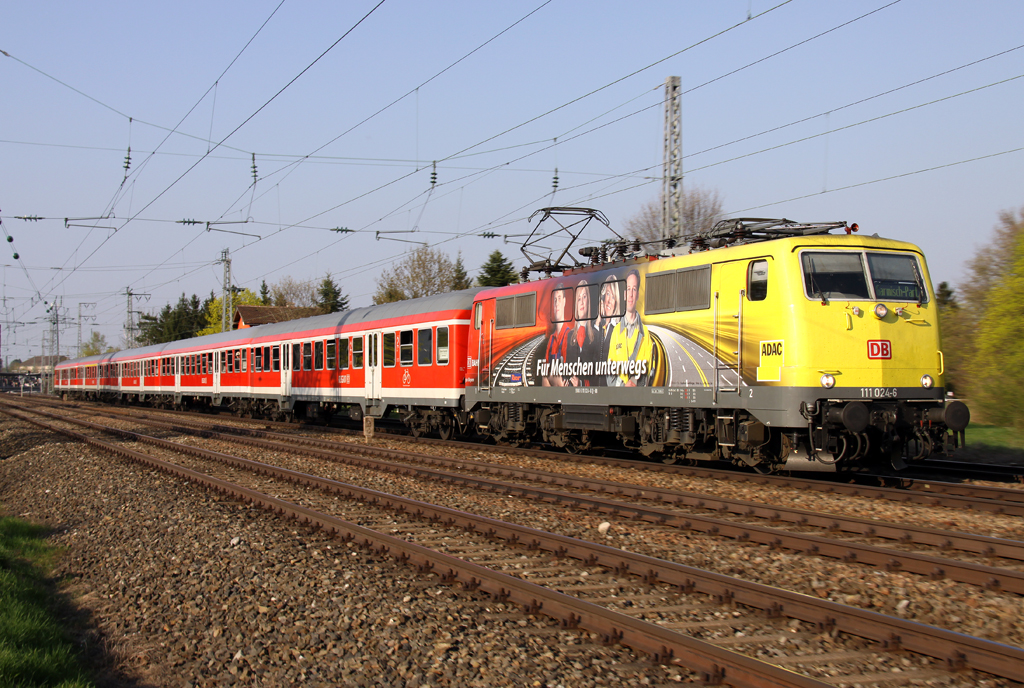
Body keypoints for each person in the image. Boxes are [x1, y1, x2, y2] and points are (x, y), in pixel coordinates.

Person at [607, 269, 653, 386]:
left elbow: (648, 369)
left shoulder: (645, 334)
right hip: (620, 396)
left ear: (638, 294)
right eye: (628, 289)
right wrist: (623, 386)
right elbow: (609, 370)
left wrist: (634, 382)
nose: (631, 294)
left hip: (638, 396)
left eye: (634, 289)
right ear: (624, 295)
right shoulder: (616, 331)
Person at [566, 280, 600, 386]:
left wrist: (580, 383)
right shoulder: (570, 336)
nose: (581, 302)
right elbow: (567, 368)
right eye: (579, 299)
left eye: (584, 297)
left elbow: (598, 372)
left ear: (588, 301)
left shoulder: (595, 336)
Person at [542, 284, 572, 386]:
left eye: (559, 299)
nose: (556, 304)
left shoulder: (569, 335)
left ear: (564, 301)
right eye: (554, 300)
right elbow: (545, 369)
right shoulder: (551, 339)